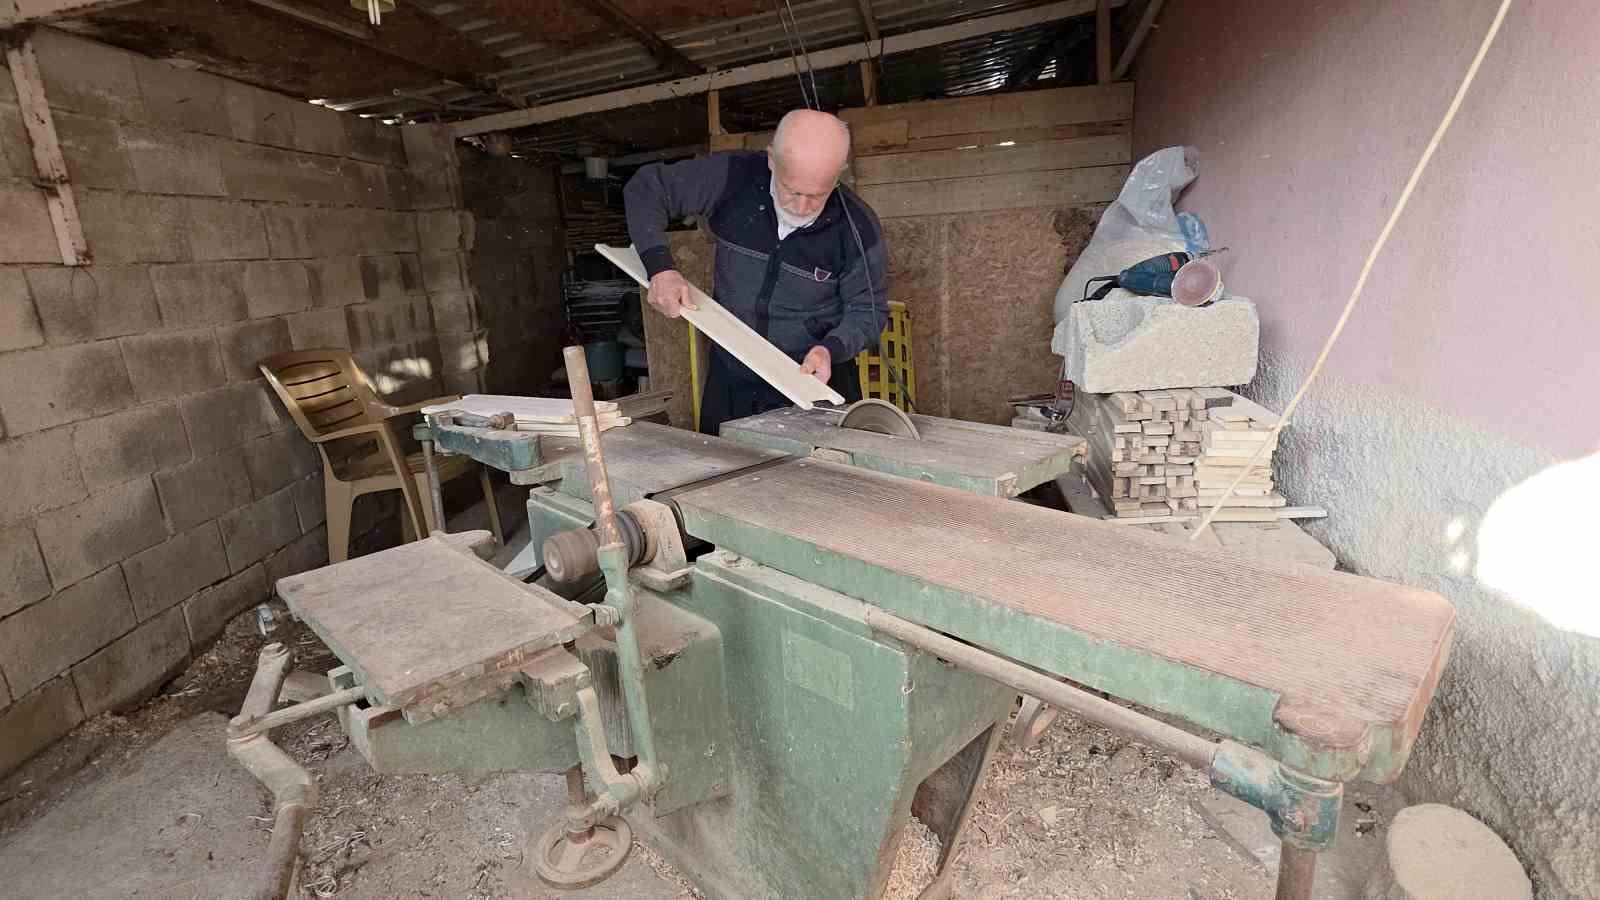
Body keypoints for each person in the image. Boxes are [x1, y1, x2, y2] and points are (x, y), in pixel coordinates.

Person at [623, 108, 889, 434]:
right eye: (792, 190)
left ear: (839, 174)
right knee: (722, 468)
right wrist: (660, 269)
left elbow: (869, 311)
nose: (803, 207)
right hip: (733, 372)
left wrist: (830, 349)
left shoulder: (858, 228)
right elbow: (647, 187)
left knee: (817, 479)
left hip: (813, 379)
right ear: (771, 161)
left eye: (818, 195)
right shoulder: (733, 178)